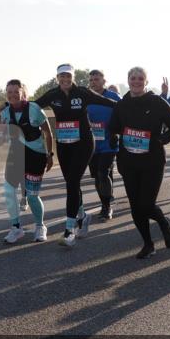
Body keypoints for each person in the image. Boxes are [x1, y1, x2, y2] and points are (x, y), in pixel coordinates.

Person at [34, 64, 117, 247]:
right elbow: (32, 105)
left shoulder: (82, 93)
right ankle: (83, 217)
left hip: (84, 143)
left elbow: (108, 102)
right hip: (64, 144)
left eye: (68, 76)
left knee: (72, 183)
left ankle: (69, 230)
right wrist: (7, 106)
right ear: (57, 78)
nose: (65, 79)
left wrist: (131, 107)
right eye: (62, 76)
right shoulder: (53, 94)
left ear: (73, 77)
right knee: (71, 183)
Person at [108, 67, 170, 258]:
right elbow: (113, 127)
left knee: (146, 205)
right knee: (135, 207)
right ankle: (148, 244)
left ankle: (164, 223)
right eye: (133, 78)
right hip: (128, 161)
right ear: (128, 80)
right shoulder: (121, 104)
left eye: (140, 78)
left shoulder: (157, 102)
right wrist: (113, 138)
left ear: (146, 82)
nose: (136, 81)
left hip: (152, 161)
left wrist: (161, 140)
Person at [0, 80, 54, 243]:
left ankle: (40, 226)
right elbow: (0, 141)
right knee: (8, 191)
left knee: (32, 196)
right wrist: (0, 131)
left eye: (16, 91)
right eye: (9, 92)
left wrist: (50, 155)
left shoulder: (34, 109)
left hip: (35, 155)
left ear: (23, 93)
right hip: (15, 154)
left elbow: (48, 133)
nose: (13, 95)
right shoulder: (5, 113)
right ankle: (16, 228)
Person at [86, 69, 120, 222]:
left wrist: (116, 131)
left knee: (102, 173)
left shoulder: (113, 97)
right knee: (97, 177)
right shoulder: (86, 97)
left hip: (109, 142)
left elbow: (123, 114)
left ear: (104, 81)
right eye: (91, 80)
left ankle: (106, 207)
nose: (94, 82)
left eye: (97, 79)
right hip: (92, 143)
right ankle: (104, 202)